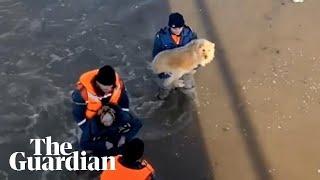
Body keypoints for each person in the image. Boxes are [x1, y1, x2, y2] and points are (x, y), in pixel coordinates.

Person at [72, 65, 142, 155]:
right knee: (85, 147)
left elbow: (124, 102)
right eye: (106, 88)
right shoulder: (81, 93)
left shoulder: (117, 85)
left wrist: (124, 135)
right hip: (92, 120)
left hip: (113, 113)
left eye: (111, 87)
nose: (110, 90)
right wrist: (92, 133)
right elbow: (78, 116)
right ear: (97, 83)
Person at [152, 12, 198, 99]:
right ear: (169, 26)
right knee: (165, 87)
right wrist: (163, 72)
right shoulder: (161, 37)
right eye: (174, 28)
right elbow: (156, 56)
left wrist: (195, 67)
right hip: (169, 66)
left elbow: (197, 52)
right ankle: (161, 99)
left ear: (183, 26)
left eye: (180, 27)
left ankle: (192, 102)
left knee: (189, 87)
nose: (177, 30)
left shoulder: (190, 34)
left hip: (185, 66)